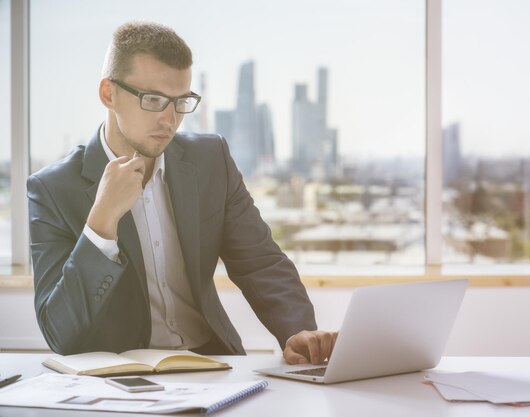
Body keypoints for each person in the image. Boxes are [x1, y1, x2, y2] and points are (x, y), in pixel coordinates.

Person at [27, 21, 336, 365]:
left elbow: (260, 261)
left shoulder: (210, 160)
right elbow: (59, 333)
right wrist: (101, 225)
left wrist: (298, 332)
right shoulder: (51, 189)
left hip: (214, 364)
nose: (170, 119)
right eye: (154, 100)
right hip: (120, 378)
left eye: (181, 101)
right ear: (108, 94)